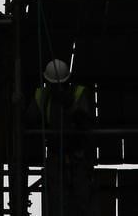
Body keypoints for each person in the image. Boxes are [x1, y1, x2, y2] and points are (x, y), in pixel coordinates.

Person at [27, 59, 97, 216]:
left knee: (80, 204)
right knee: (58, 204)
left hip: (77, 157)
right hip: (56, 158)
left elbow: (87, 123)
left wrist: (71, 106)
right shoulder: (42, 96)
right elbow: (29, 120)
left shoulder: (78, 94)